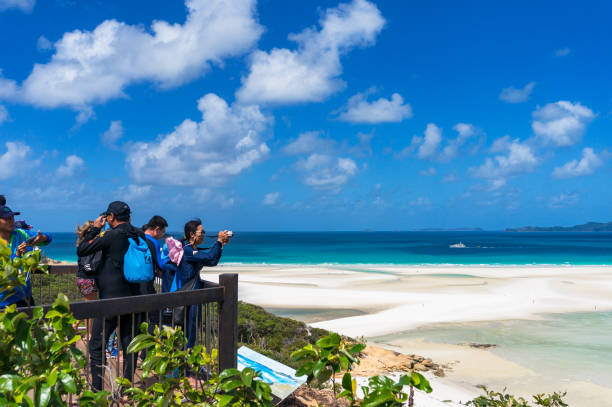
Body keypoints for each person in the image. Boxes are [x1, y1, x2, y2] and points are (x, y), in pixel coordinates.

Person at [77, 201, 158, 391]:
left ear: (111, 217)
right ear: (129, 217)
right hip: (133, 297)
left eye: (107, 217)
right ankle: (127, 389)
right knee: (129, 344)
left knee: (97, 345)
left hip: (110, 300)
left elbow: (82, 250)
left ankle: (97, 390)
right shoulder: (140, 234)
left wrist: (95, 229)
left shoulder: (111, 235)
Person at [178, 219, 230, 348]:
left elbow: (212, 262)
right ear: (192, 235)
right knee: (189, 332)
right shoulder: (188, 251)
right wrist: (218, 242)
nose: (204, 234)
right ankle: (184, 366)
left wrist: (221, 245)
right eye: (202, 232)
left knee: (192, 330)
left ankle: (186, 364)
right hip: (190, 296)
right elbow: (209, 257)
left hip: (193, 295)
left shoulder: (193, 250)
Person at [0, 204, 51, 308]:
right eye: (7, 218)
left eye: (12, 217)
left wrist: (42, 238)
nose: (11, 221)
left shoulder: (21, 233)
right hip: (3, 302)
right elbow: (6, 271)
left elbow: (48, 238)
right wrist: (16, 255)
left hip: (24, 297)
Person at [75, 221, 100, 332]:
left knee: (88, 305)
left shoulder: (82, 244)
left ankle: (76, 326)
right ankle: (89, 335)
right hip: (89, 278)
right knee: (91, 309)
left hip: (82, 278)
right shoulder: (92, 244)